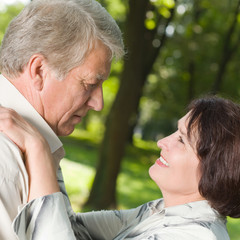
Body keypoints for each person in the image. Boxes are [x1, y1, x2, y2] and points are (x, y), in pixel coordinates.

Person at [1, 96, 240, 240]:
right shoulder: (158, 212)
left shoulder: (194, 237)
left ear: (215, 170)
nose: (162, 142)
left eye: (182, 140)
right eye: (175, 131)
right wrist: (46, 145)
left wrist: (38, 149)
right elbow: (73, 230)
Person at [0, 0, 124, 239]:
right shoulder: (7, 161)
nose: (98, 104)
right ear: (38, 71)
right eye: (89, 84)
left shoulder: (26, 146)